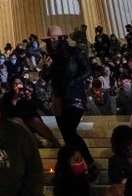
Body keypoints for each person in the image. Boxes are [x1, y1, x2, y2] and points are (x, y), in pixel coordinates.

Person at [41, 25, 98, 179]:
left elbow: (87, 70)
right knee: (67, 136)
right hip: (59, 99)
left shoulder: (75, 52)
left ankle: (89, 164)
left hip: (74, 97)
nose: (52, 42)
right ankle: (75, 168)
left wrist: (74, 82)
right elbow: (46, 78)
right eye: (50, 39)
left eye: (54, 38)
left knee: (70, 131)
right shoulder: (51, 58)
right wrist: (45, 67)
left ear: (62, 39)